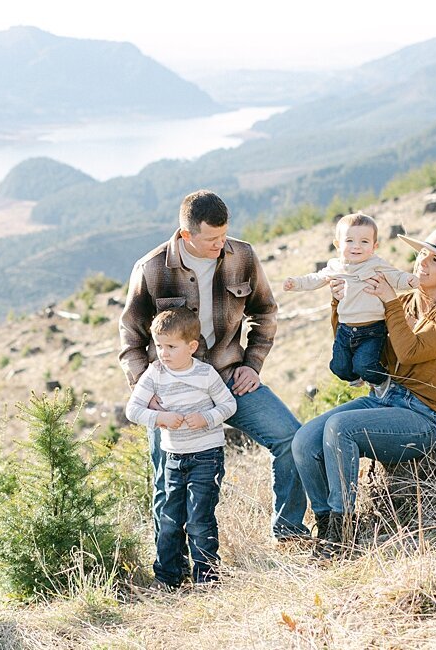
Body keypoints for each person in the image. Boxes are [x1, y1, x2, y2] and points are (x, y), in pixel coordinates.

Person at [119, 189, 309, 542]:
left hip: (227, 379)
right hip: (170, 392)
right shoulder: (150, 268)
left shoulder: (243, 256)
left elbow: (265, 312)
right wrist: (145, 389)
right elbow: (130, 334)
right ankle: (170, 568)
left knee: (291, 438)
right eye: (211, 239)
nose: (220, 244)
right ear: (187, 234)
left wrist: (253, 364)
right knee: (167, 483)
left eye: (223, 235)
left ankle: (289, 532)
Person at [291, 222, 436, 559]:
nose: (422, 262)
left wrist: (389, 302)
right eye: (422, 253)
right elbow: (360, 339)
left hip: (423, 415)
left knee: (341, 428)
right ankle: (327, 526)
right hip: (384, 399)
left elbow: (410, 351)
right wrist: (339, 305)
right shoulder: (405, 303)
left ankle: (344, 530)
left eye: (435, 260)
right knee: (305, 439)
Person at [125, 308, 237, 587]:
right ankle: (168, 577)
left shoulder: (205, 374)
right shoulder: (155, 373)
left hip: (206, 456)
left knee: (199, 518)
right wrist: (159, 418)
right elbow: (133, 410)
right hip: (173, 456)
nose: (163, 353)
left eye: (171, 347)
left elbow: (229, 405)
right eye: (159, 346)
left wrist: (206, 418)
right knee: (169, 517)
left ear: (192, 347)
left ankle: (207, 579)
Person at [284, 212, 418, 387]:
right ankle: (356, 379)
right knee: (338, 367)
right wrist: (296, 283)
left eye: (364, 241)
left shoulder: (376, 264)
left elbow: (395, 276)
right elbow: (316, 279)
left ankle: (381, 382)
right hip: (345, 329)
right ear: (337, 244)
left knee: (366, 365)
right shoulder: (335, 266)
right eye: (349, 241)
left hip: (373, 329)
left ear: (374, 246)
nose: (357, 246)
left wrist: (408, 280)